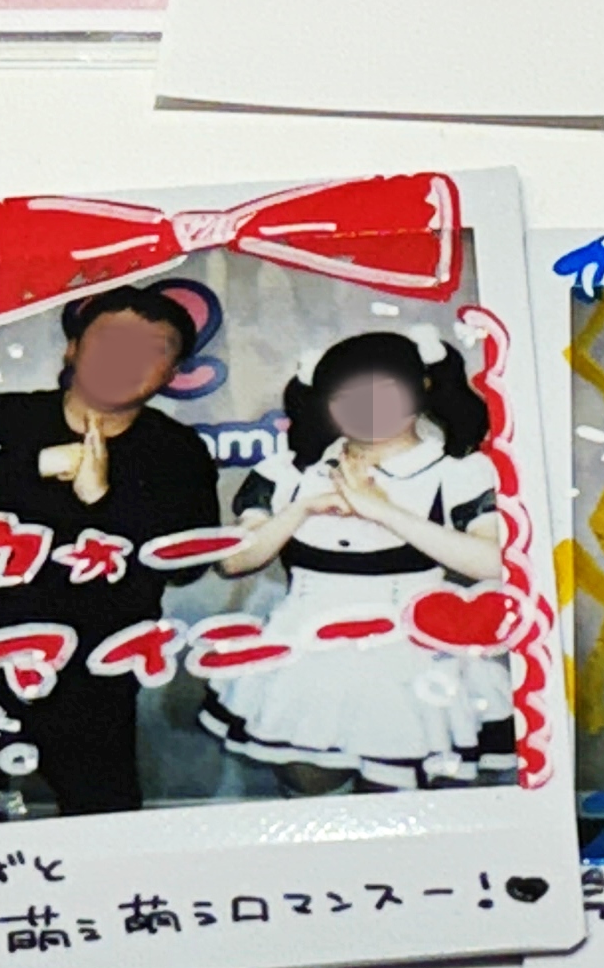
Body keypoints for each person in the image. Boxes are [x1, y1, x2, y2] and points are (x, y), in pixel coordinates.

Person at [0, 286, 222, 824]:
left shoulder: (177, 452)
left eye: (150, 350)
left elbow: (188, 562)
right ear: (72, 348)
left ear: (174, 371)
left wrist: (104, 498)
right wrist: (35, 466)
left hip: (94, 669)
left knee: (101, 813)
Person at [205, 327, 514, 793]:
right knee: (308, 784)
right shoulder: (290, 471)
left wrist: (382, 511)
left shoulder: (458, 471)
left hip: (412, 650)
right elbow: (233, 562)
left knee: (397, 788)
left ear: (422, 387)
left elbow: (495, 564)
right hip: (305, 645)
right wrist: (302, 508)